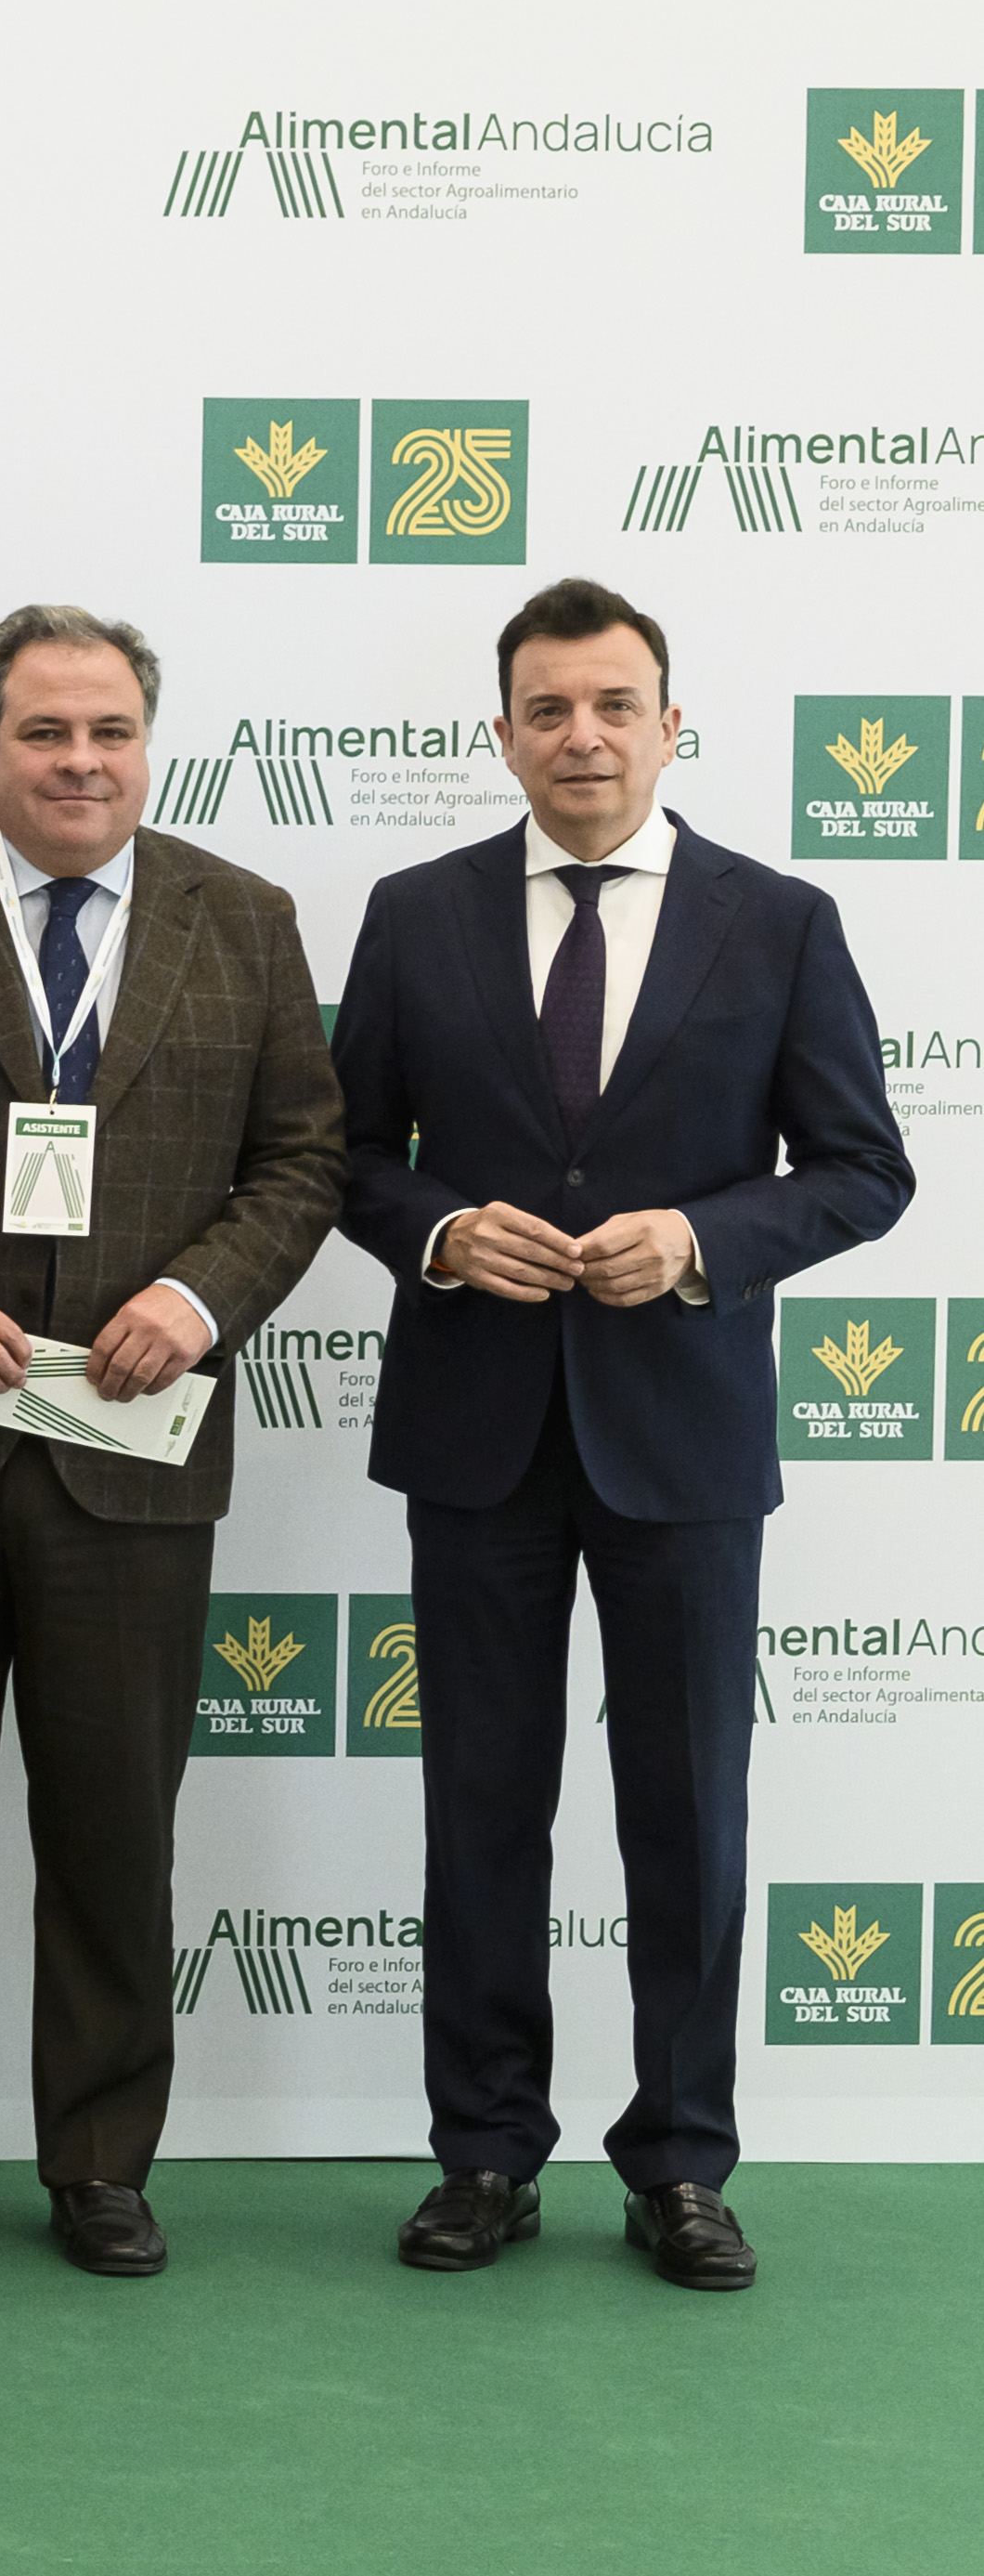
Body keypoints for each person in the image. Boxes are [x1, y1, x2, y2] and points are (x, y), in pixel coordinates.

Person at [335, 579, 908, 2292]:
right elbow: (349, 1153)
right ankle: (486, 2154)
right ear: (499, 730)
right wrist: (439, 1231)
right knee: (479, 1809)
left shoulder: (780, 919)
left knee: (686, 1815)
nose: (577, 734)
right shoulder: (412, 911)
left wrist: (703, 1244)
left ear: (671, 723)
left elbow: (863, 1170)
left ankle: (677, 2162)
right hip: (477, 1432)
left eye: (610, 703)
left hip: (682, 1432)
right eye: (543, 707)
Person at [0, 604, 340, 2280]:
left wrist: (199, 1294)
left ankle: (100, 2157)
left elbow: (305, 1157)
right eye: (44, 732)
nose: (79, 761)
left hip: (133, 1445)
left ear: (145, 743)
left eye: (107, 731)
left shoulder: (241, 920)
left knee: (113, 1821)